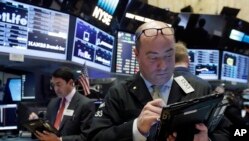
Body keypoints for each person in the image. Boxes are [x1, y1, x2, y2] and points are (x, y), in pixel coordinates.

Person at [86, 21, 230, 141]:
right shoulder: (119, 93)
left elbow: (227, 132)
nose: (163, 66)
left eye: (169, 55)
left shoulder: (200, 89)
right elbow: (95, 136)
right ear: (136, 54)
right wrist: (136, 129)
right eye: (153, 57)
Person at [29, 67, 95, 141]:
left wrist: (59, 140)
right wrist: (37, 122)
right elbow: (48, 127)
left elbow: (86, 137)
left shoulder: (85, 104)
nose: (56, 89)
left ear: (70, 83)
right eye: (54, 85)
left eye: (59, 84)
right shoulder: (53, 103)